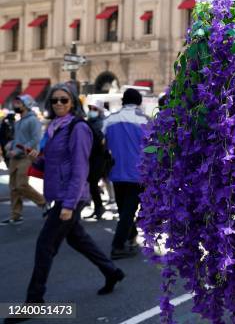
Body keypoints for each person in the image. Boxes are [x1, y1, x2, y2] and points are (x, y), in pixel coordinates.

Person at [5, 84, 124, 324]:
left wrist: (69, 205)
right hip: (60, 194)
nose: (58, 104)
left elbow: (80, 168)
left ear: (73, 103)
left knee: (44, 246)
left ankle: (34, 301)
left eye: (64, 100)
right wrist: (36, 160)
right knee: (78, 239)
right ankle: (112, 272)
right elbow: (52, 165)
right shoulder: (54, 129)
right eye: (54, 100)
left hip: (71, 196)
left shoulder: (77, 128)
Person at [103, 88, 148, 259]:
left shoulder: (110, 119)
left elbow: (101, 140)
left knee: (124, 210)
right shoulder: (145, 120)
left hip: (115, 171)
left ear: (123, 101)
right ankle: (118, 245)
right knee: (128, 211)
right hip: (137, 173)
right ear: (139, 102)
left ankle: (130, 236)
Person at [1, 95, 47, 225]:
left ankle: (43, 202)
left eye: (18, 103)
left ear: (26, 105)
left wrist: (19, 149)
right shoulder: (19, 121)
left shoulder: (33, 120)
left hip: (26, 157)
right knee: (13, 188)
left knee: (21, 184)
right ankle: (15, 216)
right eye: (15, 103)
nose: (15, 105)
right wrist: (11, 144)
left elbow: (35, 139)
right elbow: (18, 139)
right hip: (15, 157)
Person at [84, 100, 109, 220]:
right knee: (92, 183)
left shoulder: (102, 123)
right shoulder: (89, 122)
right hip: (90, 157)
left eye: (94, 109)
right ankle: (98, 207)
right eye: (90, 109)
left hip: (99, 157)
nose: (91, 111)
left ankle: (99, 207)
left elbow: (102, 142)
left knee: (93, 182)